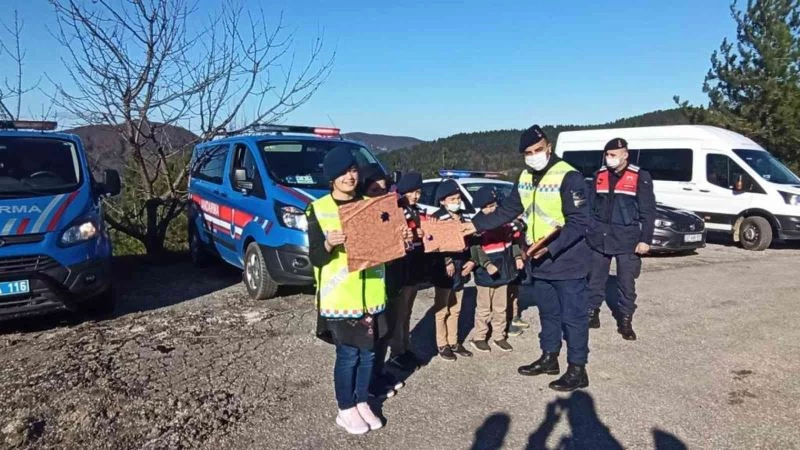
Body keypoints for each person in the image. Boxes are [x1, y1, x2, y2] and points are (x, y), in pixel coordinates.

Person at [463, 124, 592, 392]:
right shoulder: (524, 177)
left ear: (549, 148)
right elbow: (509, 209)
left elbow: (580, 222)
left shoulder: (569, 176)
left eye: (538, 150)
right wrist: (476, 225)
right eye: (528, 153)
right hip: (539, 260)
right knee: (549, 313)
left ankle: (577, 369)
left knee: (573, 317)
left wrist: (552, 248)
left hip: (566, 260)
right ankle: (549, 358)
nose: (533, 155)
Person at [306, 147, 407, 434]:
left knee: (370, 354)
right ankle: (345, 408)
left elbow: (388, 246)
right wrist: (328, 244)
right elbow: (315, 257)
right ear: (331, 178)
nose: (349, 177)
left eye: (352, 170)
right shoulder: (318, 208)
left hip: (373, 292)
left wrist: (401, 237)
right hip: (341, 296)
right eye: (342, 172)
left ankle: (362, 400)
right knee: (348, 355)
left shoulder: (371, 205)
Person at [586, 138, 656, 341]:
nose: (609, 159)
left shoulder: (639, 176)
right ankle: (592, 312)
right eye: (607, 155)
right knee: (595, 278)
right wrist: (590, 229)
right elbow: (590, 207)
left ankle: (625, 320)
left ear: (625, 155)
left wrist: (645, 239)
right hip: (600, 237)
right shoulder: (599, 175)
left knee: (626, 282)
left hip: (627, 238)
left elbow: (648, 211)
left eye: (613, 155)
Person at [468, 186, 524, 353]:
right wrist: (486, 264)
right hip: (486, 271)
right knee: (484, 307)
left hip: (504, 269)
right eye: (486, 207)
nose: (490, 209)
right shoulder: (478, 223)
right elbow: (475, 249)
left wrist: (518, 257)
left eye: (493, 205)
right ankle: (479, 337)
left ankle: (499, 336)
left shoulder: (504, 220)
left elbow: (512, 241)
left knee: (501, 306)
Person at [386, 171, 428, 371]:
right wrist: (411, 234)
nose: (416, 196)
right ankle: (396, 351)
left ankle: (405, 348)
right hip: (400, 265)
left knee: (408, 311)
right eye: (413, 192)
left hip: (414, 264)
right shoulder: (396, 209)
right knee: (399, 312)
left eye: (419, 192)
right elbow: (394, 234)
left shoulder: (415, 210)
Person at [430, 179, 475, 361]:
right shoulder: (438, 218)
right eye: (452, 198)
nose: (456, 202)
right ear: (442, 201)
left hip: (462, 265)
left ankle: (454, 340)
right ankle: (442, 344)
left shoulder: (464, 216)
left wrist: (472, 261)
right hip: (445, 267)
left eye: (458, 198)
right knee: (442, 308)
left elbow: (472, 242)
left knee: (456, 308)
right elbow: (435, 244)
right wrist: (447, 260)